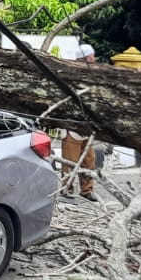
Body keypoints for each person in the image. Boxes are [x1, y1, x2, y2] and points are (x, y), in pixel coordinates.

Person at [60, 45, 101, 201]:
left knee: (89, 160)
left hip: (86, 125)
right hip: (71, 125)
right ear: (87, 58)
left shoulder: (93, 75)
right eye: (92, 56)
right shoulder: (70, 75)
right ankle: (66, 189)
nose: (94, 59)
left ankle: (87, 190)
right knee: (69, 160)